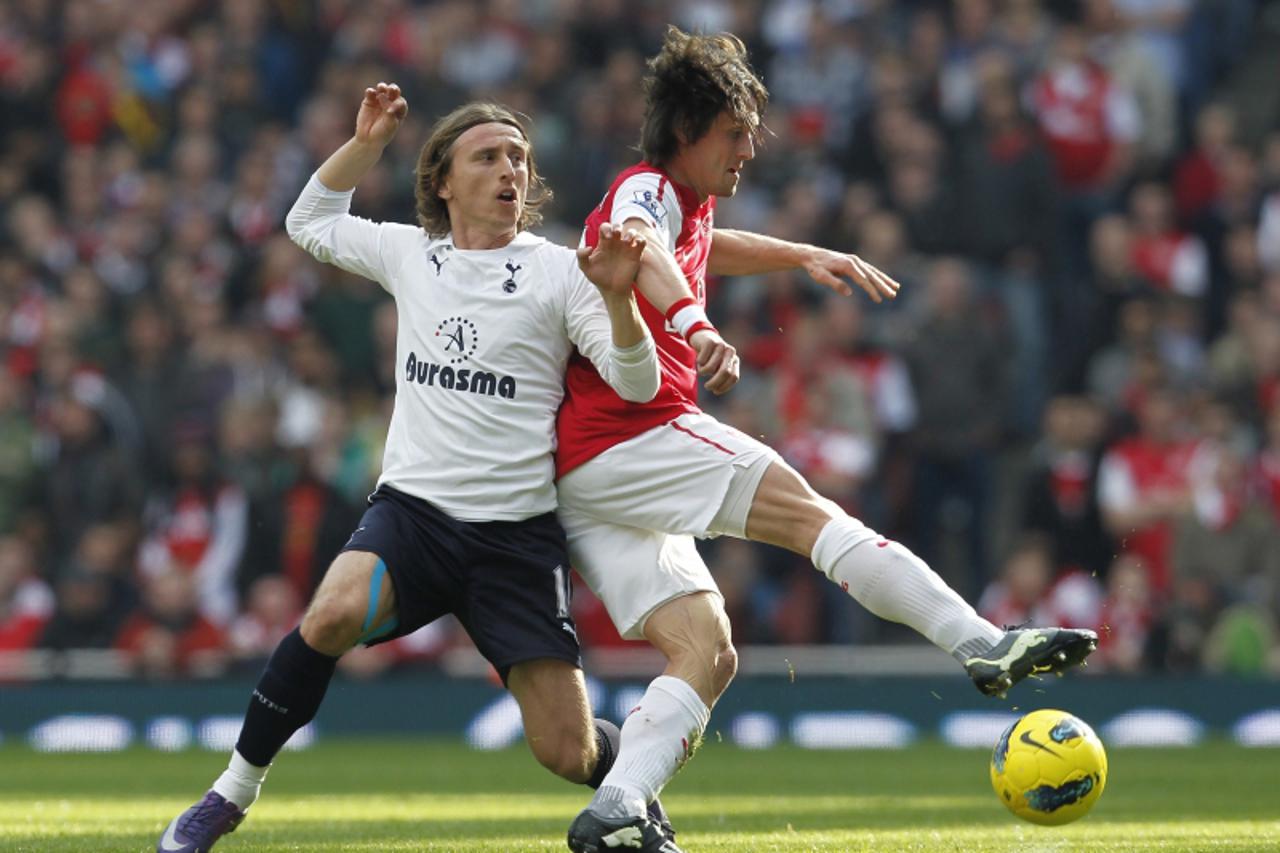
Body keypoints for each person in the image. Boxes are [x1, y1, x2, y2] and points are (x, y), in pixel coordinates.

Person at [560, 28, 1098, 852]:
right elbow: (650, 255)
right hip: (630, 435)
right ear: (686, 133)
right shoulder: (643, 191)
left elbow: (699, 250)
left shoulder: (683, 203)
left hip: (589, 474)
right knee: (814, 517)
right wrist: (695, 326)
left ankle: (615, 810)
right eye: (735, 132)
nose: (751, 149)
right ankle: (983, 645)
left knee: (708, 649)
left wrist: (803, 252)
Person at [158, 83, 669, 852]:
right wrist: (365, 143)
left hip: (514, 539)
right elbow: (309, 221)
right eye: (489, 156)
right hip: (415, 515)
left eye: (520, 158)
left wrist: (623, 302)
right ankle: (230, 793)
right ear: (442, 179)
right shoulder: (410, 252)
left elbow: (638, 382)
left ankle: (630, 787)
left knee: (567, 751)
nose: (511, 170)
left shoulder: (563, 271)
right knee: (327, 614)